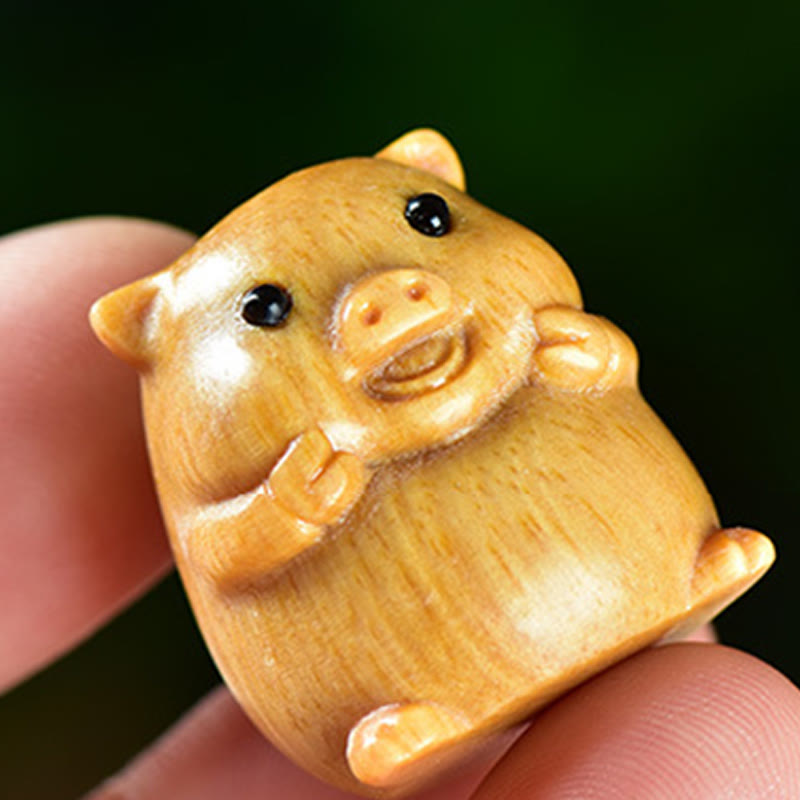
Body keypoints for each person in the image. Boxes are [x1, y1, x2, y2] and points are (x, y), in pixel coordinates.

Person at [2, 217, 799, 800]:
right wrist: (279, 516)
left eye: (427, 221)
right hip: (408, 687)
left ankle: (685, 564)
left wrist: (593, 361)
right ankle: (409, 716)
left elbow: (609, 371)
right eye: (269, 311)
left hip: (636, 583)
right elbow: (221, 554)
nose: (382, 294)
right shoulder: (255, 471)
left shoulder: (528, 344)